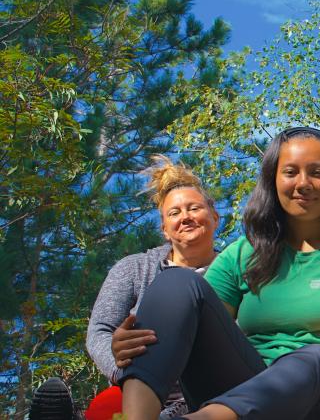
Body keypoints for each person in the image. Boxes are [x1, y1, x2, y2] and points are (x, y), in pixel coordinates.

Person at [115, 126, 320, 420]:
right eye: (290, 172)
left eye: (317, 172)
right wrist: (136, 341)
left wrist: (293, 375)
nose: (303, 183)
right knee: (175, 282)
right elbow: (193, 318)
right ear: (273, 180)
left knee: (315, 357)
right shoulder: (244, 253)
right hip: (251, 390)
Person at [85, 156, 221, 418]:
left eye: (194, 208)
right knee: (104, 408)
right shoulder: (134, 269)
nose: (185, 218)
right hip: (144, 385)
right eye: (174, 213)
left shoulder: (239, 272)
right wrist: (122, 367)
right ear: (165, 230)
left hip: (217, 387)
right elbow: (100, 330)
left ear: (214, 217)